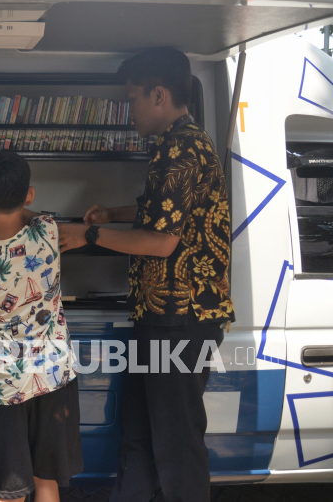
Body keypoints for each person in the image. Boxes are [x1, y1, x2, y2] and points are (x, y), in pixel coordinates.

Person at [59, 47, 235, 502]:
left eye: (133, 99)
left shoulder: (183, 149)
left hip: (181, 318)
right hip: (160, 316)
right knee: (138, 435)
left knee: (176, 446)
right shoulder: (176, 145)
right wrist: (113, 214)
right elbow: (166, 211)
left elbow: (161, 242)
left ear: (159, 94)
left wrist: (87, 236)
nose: (129, 110)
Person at [0, 151, 82, 502]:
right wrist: (4, 202)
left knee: (10, 489)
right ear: (30, 195)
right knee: (47, 481)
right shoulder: (48, 231)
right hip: (55, 376)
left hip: (8, 384)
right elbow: (32, 216)